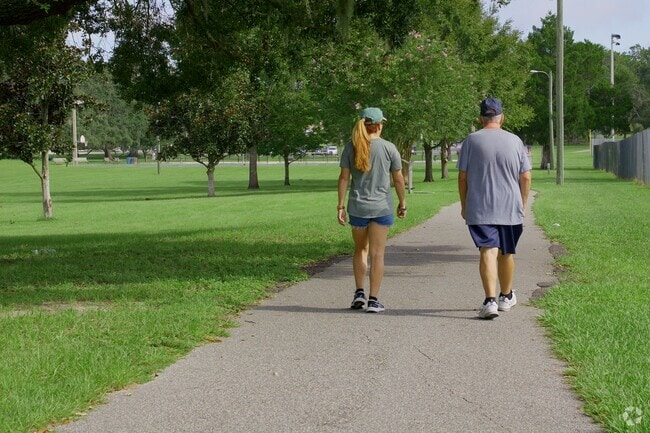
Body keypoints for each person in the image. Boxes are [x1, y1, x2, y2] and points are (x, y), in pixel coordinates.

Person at [456, 97, 532, 319]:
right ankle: (506, 297)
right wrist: (523, 203)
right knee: (507, 252)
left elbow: (463, 177)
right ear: (502, 117)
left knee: (487, 250)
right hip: (510, 207)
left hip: (480, 207)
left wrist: (464, 204)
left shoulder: (471, 141)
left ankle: (489, 301)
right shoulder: (515, 141)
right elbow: (525, 177)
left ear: (480, 118)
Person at [337, 107, 407, 313]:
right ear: (377, 125)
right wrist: (402, 203)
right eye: (382, 123)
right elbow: (398, 179)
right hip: (381, 207)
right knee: (378, 254)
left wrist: (340, 205)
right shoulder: (389, 148)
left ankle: (359, 293)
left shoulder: (351, 147)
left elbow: (344, 178)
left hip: (358, 207)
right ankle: (373, 300)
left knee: (360, 250)